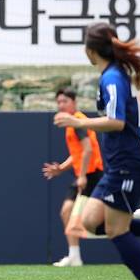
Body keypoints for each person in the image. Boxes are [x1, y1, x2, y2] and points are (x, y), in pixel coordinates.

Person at [54, 22, 140, 280]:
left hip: (126, 164)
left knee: (117, 229)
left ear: (91, 51)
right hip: (122, 163)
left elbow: (117, 122)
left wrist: (77, 121)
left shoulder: (112, 78)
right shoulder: (116, 75)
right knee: (91, 222)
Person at [43, 88, 104, 267]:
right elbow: (78, 154)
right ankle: (74, 256)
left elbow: (88, 150)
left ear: (74, 102)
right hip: (83, 175)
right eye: (59, 102)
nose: (61, 105)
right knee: (66, 212)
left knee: (105, 219)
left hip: (92, 175)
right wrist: (61, 168)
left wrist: (83, 176)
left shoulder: (77, 122)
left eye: (65, 101)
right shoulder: (72, 123)